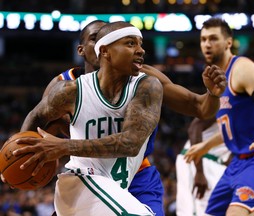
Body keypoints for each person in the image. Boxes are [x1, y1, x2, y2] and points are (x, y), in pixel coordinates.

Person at [17, 20, 227, 215]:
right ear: (96, 49)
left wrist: (213, 95)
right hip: (89, 173)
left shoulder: (145, 80)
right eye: (95, 37)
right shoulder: (65, 88)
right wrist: (19, 161)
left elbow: (199, 107)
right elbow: (38, 125)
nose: (139, 50)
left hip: (136, 173)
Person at [11, 21, 163, 215]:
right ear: (105, 51)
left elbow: (130, 144)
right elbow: (36, 115)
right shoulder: (70, 90)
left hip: (122, 185)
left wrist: (62, 147)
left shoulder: (147, 86)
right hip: (82, 181)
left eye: (140, 44)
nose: (141, 50)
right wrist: (18, 160)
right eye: (131, 43)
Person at [184, 17, 254, 216]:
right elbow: (234, 127)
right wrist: (205, 146)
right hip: (238, 162)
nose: (207, 44)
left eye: (213, 38)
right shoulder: (215, 78)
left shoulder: (241, 69)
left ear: (228, 43)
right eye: (203, 39)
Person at [176, 117, 231, 216]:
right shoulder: (222, 103)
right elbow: (194, 128)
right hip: (197, 158)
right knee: (191, 210)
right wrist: (199, 171)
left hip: (217, 163)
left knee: (211, 210)